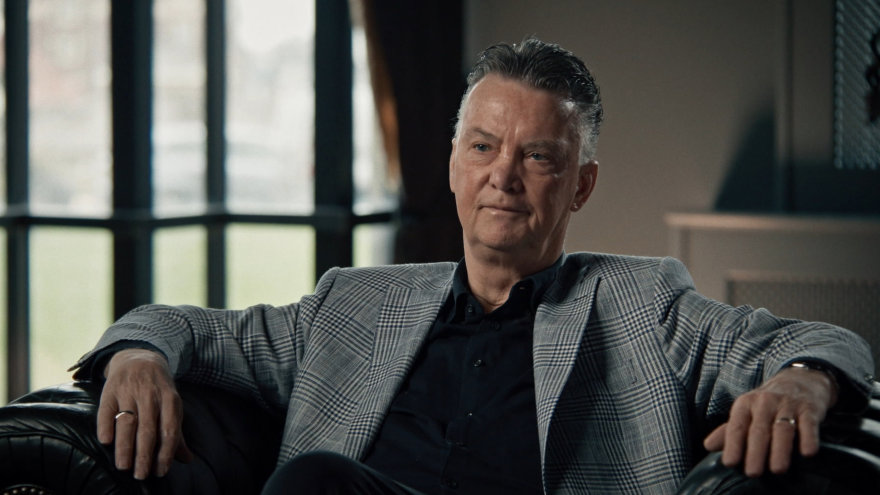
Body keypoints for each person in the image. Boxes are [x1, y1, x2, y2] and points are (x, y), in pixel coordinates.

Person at [73, 38, 875, 494]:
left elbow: (818, 341)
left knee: (317, 482)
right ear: (454, 162)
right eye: (484, 147)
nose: (504, 176)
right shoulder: (351, 303)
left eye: (538, 156)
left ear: (581, 184)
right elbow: (184, 326)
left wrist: (803, 380)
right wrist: (138, 353)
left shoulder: (644, 301)